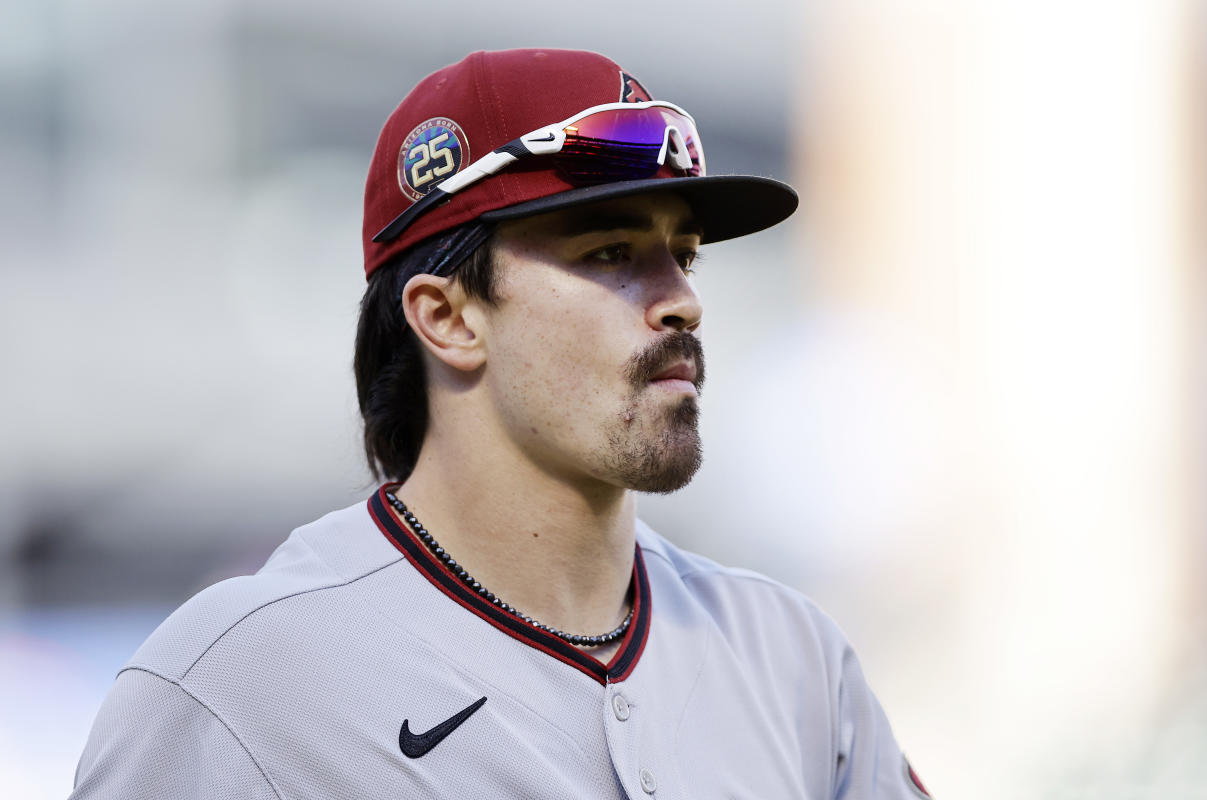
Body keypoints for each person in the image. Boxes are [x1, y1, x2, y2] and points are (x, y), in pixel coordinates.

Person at [69, 48, 932, 799]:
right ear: (447, 316)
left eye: (683, 253)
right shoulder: (238, 684)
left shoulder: (790, 658)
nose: (682, 301)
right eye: (610, 253)